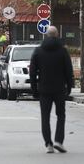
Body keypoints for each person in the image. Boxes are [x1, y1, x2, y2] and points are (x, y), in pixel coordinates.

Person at [29, 26, 74, 154]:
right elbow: (68, 70)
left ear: (46, 35)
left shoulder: (38, 51)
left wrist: (34, 89)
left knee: (45, 116)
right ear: (57, 35)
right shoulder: (63, 51)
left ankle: (48, 144)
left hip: (44, 89)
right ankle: (59, 141)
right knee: (61, 115)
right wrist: (69, 86)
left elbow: (32, 71)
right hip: (59, 89)